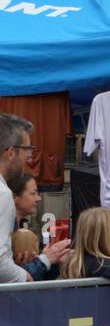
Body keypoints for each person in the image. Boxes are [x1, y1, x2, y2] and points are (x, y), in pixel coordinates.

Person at [8, 172, 70, 280]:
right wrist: (45, 260)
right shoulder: (6, 231)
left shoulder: (19, 228)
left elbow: (35, 278)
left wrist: (55, 261)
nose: (38, 198)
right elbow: (12, 278)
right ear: (15, 197)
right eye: (33, 193)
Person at [0, 112, 37, 283]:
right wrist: (25, 277)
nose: (29, 156)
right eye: (27, 149)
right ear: (11, 152)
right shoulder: (3, 193)